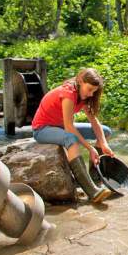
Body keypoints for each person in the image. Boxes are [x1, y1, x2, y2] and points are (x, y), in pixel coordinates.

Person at [32, 68, 113, 203]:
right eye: (89, 90)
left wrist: (104, 144)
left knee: (105, 132)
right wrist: (90, 148)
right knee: (71, 138)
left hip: (61, 127)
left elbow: (94, 121)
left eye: (94, 91)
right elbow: (69, 127)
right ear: (80, 81)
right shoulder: (68, 93)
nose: (91, 94)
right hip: (42, 130)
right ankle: (91, 191)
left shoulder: (84, 95)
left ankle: (95, 178)